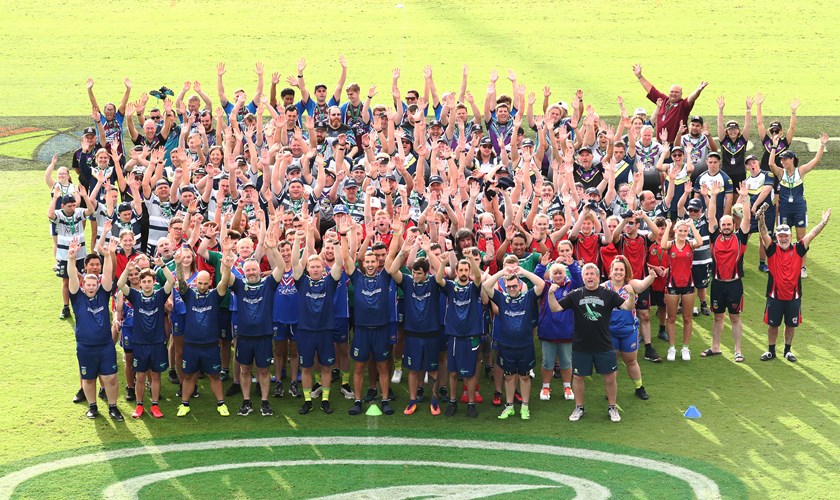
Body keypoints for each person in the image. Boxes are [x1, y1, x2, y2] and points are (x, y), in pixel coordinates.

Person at [548, 263, 636, 423]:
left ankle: (612, 407)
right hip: (581, 345)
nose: (589, 277)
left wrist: (631, 295)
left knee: (610, 377)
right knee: (579, 377)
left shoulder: (608, 294)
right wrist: (551, 294)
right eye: (586, 274)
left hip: (604, 344)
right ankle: (579, 407)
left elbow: (627, 307)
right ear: (582, 277)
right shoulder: (575, 294)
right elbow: (555, 308)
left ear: (598, 277)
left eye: (591, 274)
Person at [757, 205, 831, 362]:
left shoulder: (799, 249)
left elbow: (811, 234)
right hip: (774, 295)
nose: (783, 238)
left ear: (791, 236)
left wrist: (823, 223)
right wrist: (761, 219)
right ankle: (771, 351)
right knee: (773, 325)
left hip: (793, 296)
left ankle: (787, 351)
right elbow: (763, 233)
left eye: (786, 236)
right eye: (781, 236)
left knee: (791, 325)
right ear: (777, 237)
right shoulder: (772, 249)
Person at [226, 231, 285, 417]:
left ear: (259, 270)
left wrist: (274, 248)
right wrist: (226, 256)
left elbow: (281, 268)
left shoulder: (268, 284)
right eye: (248, 270)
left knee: (263, 370)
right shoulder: (240, 285)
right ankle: (246, 401)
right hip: (244, 336)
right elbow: (225, 278)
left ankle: (265, 402)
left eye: (253, 269)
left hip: (264, 335)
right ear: (243, 272)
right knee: (244, 369)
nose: (251, 272)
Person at [291, 223, 345, 415]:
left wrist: (337, 242)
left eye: (318, 266)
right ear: (307, 268)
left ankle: (325, 399)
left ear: (323, 268)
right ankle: (307, 400)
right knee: (306, 368)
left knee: (326, 366)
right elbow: (294, 263)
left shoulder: (329, 282)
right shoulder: (302, 281)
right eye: (312, 266)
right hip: (306, 331)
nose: (315, 269)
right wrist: (298, 239)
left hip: (325, 331)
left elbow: (339, 264)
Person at [67, 239, 123, 421]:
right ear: (83, 286)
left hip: (105, 346)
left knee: (111, 378)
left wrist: (108, 255)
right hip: (85, 347)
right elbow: (72, 278)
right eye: (88, 285)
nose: (91, 287)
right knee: (88, 379)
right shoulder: (76, 297)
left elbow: (107, 275)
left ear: (97, 286)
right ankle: (92, 407)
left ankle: (113, 407)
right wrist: (71, 258)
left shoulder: (103, 293)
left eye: (93, 285)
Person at [345, 222, 398, 416]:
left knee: (383, 366)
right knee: (359, 366)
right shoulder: (357, 279)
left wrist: (398, 231)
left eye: (372, 262)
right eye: (366, 262)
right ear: (364, 264)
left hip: (381, 330)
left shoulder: (384, 277)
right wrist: (343, 235)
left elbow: (392, 254)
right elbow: (346, 258)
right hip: (361, 330)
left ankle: (385, 400)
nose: (369, 264)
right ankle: (358, 401)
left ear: (377, 263)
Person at [389, 236, 445, 415]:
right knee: (413, 369)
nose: (415, 276)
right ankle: (412, 400)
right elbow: (392, 270)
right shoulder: (407, 282)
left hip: (431, 333)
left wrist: (429, 251)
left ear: (426, 273)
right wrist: (404, 251)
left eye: (419, 273)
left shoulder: (434, 283)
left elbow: (440, 272)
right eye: (413, 272)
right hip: (412, 334)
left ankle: (434, 400)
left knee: (433, 370)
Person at [175, 248, 233, 417]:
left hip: (210, 346)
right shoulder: (189, 295)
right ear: (196, 283)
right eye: (199, 283)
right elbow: (180, 281)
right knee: (189, 376)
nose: (202, 286)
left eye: (205, 283)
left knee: (214, 376)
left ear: (210, 283)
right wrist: (179, 264)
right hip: (192, 346)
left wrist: (227, 268)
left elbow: (223, 284)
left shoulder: (216, 295)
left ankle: (221, 404)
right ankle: (185, 404)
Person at [483, 266, 545, 420]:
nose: (512, 289)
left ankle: (525, 406)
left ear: (519, 285)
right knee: (509, 377)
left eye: (514, 286)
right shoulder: (502, 298)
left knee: (524, 377)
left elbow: (541, 284)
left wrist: (522, 272)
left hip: (525, 346)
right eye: (509, 286)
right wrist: (501, 273)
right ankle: (509, 406)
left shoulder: (527, 297)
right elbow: (486, 286)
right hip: (506, 346)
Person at [117, 257, 175, 419]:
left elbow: (171, 281)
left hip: (157, 343)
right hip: (140, 344)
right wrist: (127, 270)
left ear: (153, 282)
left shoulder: (159, 296)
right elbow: (121, 285)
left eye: (150, 281)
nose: (147, 284)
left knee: (156, 375)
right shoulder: (135, 296)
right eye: (145, 281)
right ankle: (140, 405)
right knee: (140, 376)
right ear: (140, 283)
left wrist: (162, 265)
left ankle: (155, 405)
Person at [767, 132, 828, 278]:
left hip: (799, 209)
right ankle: (782, 264)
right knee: (783, 237)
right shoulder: (781, 173)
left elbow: (816, 160)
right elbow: (770, 164)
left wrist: (822, 145)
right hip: (785, 210)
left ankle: (802, 267)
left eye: (785, 159)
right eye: (781, 160)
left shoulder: (800, 171)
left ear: (792, 159)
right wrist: (774, 146)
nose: (782, 162)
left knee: (801, 239)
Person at [703, 181, 751, 362]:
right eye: (723, 224)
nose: (725, 226)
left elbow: (746, 219)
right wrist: (713, 196)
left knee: (735, 318)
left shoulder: (740, 238)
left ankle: (738, 350)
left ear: (733, 225)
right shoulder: (714, 237)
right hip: (717, 285)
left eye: (729, 224)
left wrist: (745, 197)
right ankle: (715, 347)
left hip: (734, 285)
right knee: (717, 317)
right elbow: (711, 216)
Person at [436, 249, 484, 418]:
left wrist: (470, 258)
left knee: (470, 373)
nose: (463, 273)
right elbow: (438, 279)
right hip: (455, 336)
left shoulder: (473, 287)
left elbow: (478, 278)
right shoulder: (451, 287)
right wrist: (442, 263)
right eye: (461, 270)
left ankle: (471, 404)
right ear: (456, 272)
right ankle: (452, 401)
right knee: (454, 372)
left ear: (469, 271)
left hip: (471, 336)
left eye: (466, 270)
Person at [602, 257, 656, 400]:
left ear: (625, 272)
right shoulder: (603, 287)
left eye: (621, 270)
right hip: (609, 333)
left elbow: (643, 284)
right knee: (611, 363)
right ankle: (611, 391)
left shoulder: (631, 285)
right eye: (616, 269)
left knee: (631, 361)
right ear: (611, 271)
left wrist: (651, 277)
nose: (618, 272)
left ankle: (639, 387)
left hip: (628, 331)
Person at [49, 182, 96, 319]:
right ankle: (65, 307)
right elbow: (50, 214)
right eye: (69, 206)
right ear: (63, 206)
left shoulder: (78, 213)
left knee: (82, 279)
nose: (72, 208)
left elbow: (91, 211)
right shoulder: (59, 214)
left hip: (80, 254)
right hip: (64, 255)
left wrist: (85, 197)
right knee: (66, 281)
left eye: (74, 205)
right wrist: (55, 198)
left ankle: (84, 304)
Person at [659, 218, 704, 361]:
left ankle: (685, 347)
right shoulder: (670, 245)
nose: (683, 233)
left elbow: (700, 242)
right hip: (672, 285)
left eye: (685, 231)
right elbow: (662, 244)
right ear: (676, 231)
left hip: (688, 286)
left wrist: (691, 226)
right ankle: (672, 347)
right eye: (681, 230)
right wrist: (668, 226)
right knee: (671, 318)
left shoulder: (690, 244)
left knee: (687, 318)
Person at [632, 64, 708, 143]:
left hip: (676, 144)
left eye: (677, 92)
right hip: (660, 143)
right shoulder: (664, 100)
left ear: (681, 94)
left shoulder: (683, 105)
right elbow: (651, 89)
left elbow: (691, 99)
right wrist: (639, 76)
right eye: (672, 92)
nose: (673, 94)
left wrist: (698, 90)